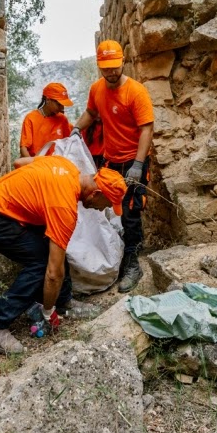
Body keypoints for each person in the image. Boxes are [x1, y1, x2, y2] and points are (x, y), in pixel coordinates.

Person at [0, 155, 127, 354]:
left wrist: (26, 194)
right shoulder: (63, 207)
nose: (103, 209)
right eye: (107, 204)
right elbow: (52, 273)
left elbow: (20, 163)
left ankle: (63, 302)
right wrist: (47, 312)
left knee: (54, 250)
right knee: (42, 264)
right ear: (96, 194)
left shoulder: (65, 164)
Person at [71, 40, 154, 293]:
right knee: (108, 210)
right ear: (99, 66)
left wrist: (138, 164)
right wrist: (76, 128)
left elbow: (147, 129)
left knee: (130, 212)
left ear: (123, 61)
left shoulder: (136, 92)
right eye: (106, 68)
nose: (111, 72)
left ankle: (132, 264)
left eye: (115, 66)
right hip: (110, 161)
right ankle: (114, 254)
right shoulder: (97, 89)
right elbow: (91, 113)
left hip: (133, 160)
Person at [19, 82, 73, 158]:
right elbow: (24, 148)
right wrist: (32, 165)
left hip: (56, 164)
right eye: (59, 104)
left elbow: (68, 145)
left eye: (63, 105)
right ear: (48, 100)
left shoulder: (63, 119)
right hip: (36, 163)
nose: (62, 108)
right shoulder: (31, 118)